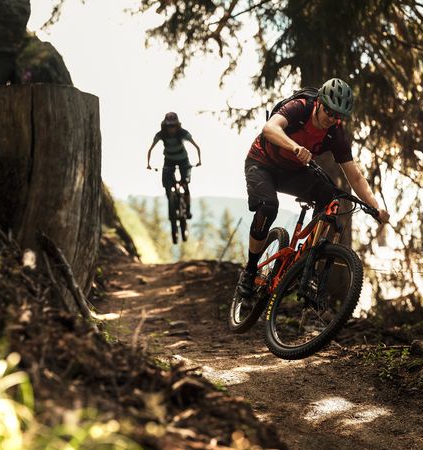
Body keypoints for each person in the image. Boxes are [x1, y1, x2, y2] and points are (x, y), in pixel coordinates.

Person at [237, 78, 390, 297]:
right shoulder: (300, 107)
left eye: (338, 115)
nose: (332, 118)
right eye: (329, 111)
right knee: (268, 206)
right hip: (261, 164)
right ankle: (250, 270)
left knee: (329, 196)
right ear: (319, 102)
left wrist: (375, 207)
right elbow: (270, 128)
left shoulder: (335, 133)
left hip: (292, 171)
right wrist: (295, 147)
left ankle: (307, 263)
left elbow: (354, 176)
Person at [146, 112, 201, 219]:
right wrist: (148, 164)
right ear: (165, 125)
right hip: (169, 160)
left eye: (173, 126)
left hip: (183, 160)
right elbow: (150, 149)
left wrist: (199, 160)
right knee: (166, 182)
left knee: (185, 184)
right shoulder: (161, 135)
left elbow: (197, 146)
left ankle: (188, 210)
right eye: (168, 126)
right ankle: (172, 202)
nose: (171, 128)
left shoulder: (183, 133)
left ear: (177, 125)